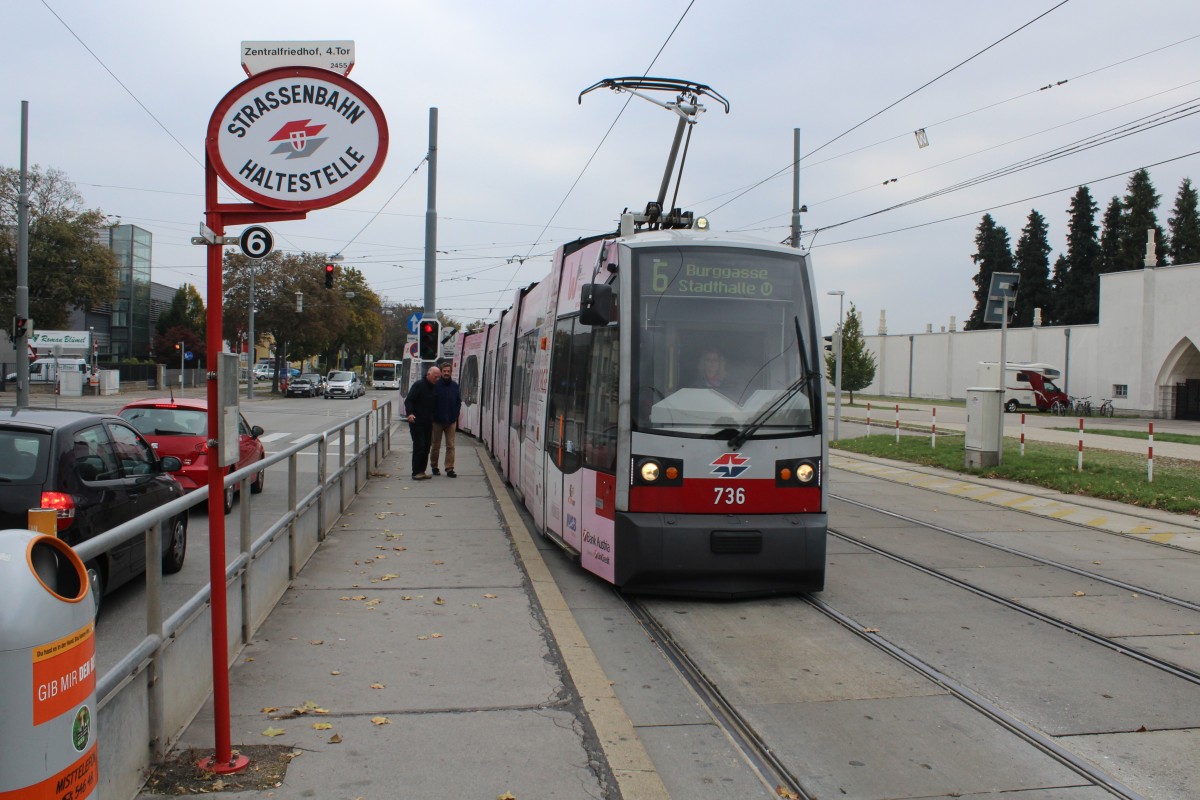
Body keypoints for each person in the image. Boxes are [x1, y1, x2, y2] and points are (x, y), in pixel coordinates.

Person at [403, 365, 441, 480]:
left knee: (426, 447)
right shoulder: (419, 385)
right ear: (429, 375)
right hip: (416, 421)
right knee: (419, 445)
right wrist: (409, 413)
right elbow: (409, 400)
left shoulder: (434, 387)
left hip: (428, 422)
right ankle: (416, 472)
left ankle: (422, 471)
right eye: (436, 377)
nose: (437, 379)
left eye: (438, 377)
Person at [430, 361, 462, 477]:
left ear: (451, 372)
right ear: (441, 372)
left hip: (451, 421)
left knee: (451, 445)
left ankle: (449, 468)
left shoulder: (455, 386)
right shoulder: (435, 385)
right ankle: (434, 466)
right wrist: (433, 416)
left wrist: (456, 414)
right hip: (437, 421)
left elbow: (458, 401)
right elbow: (431, 402)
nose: (446, 373)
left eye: (448, 371)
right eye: (444, 371)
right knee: (436, 445)